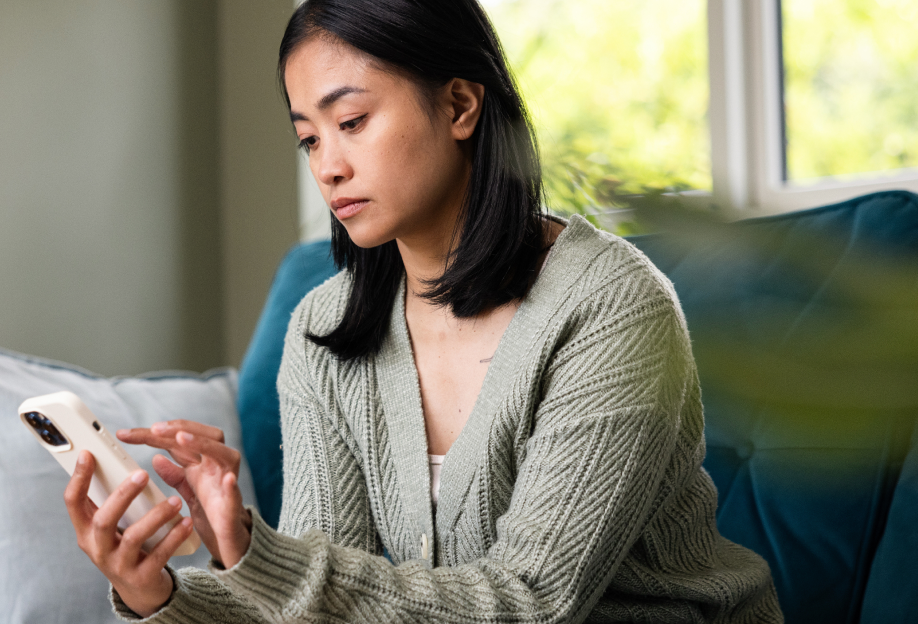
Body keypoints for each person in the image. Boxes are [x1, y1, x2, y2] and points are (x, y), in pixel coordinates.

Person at [63, 0, 783, 621]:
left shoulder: (612, 308)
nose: (327, 165)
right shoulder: (325, 330)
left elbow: (533, 604)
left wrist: (259, 552)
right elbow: (323, 611)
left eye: (352, 120)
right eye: (309, 138)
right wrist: (159, 597)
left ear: (460, 105)